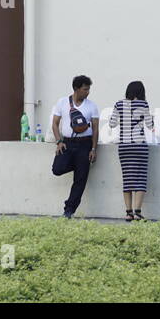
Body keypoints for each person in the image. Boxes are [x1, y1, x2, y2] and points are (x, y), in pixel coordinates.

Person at [50, 75, 99, 218]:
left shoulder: (92, 106)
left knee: (80, 180)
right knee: (57, 169)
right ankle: (78, 165)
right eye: (85, 89)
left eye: (89, 89)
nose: (88, 92)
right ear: (76, 89)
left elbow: (95, 129)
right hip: (68, 143)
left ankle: (69, 210)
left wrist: (93, 149)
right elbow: (55, 123)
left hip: (85, 144)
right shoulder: (62, 102)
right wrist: (59, 141)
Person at [108, 81, 154, 221]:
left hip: (124, 146)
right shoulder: (143, 104)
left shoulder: (119, 104)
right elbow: (150, 124)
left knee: (127, 179)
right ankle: (138, 212)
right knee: (140, 178)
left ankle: (128, 213)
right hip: (140, 146)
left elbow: (111, 123)